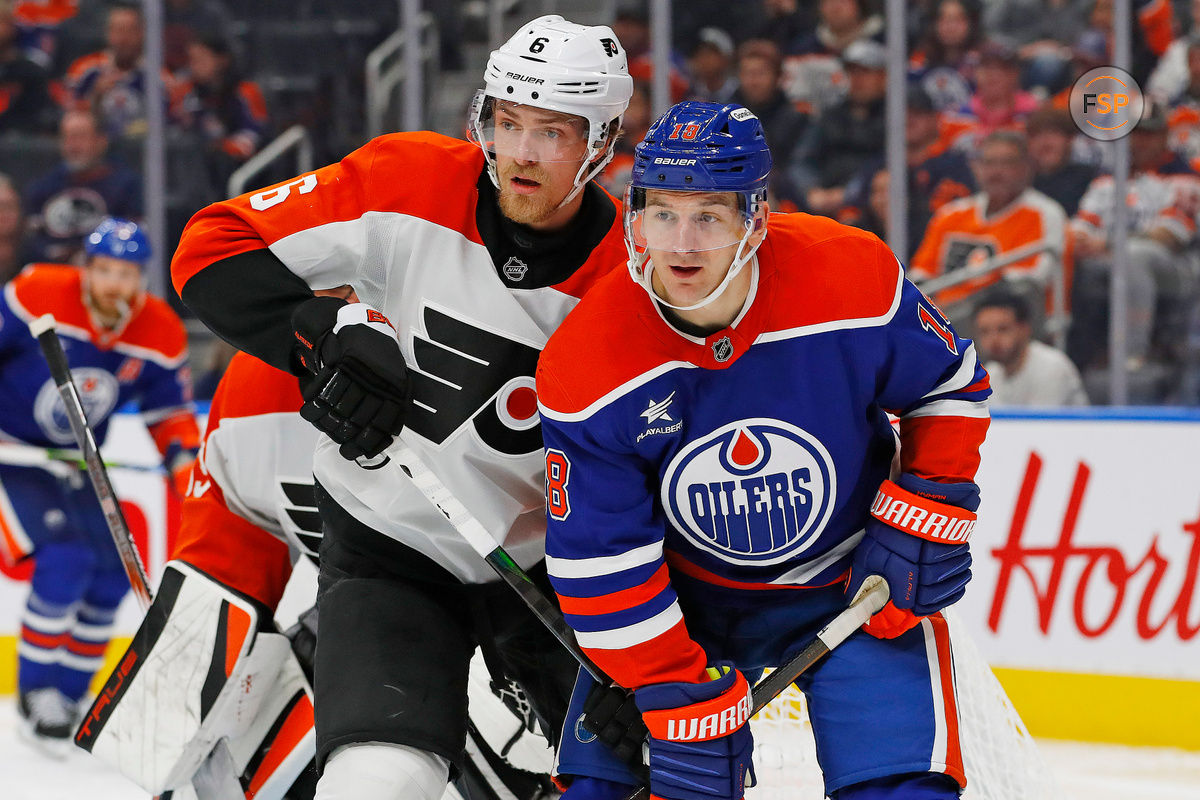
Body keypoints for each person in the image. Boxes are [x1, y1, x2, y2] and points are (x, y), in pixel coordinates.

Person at [169, 15, 633, 800]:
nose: (519, 153)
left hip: (561, 570)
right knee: (375, 779)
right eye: (507, 122)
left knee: (631, 774)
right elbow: (210, 246)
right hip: (391, 545)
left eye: (552, 132)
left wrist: (647, 658)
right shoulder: (407, 179)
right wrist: (316, 330)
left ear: (603, 140)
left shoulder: (634, 278)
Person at [537, 100, 990, 800]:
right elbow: (601, 560)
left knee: (906, 791)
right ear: (635, 216)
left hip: (847, 592)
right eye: (663, 213)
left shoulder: (850, 277)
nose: (681, 244)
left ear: (755, 217)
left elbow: (951, 384)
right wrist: (670, 689)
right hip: (681, 607)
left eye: (709, 216)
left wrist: (929, 503)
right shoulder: (588, 360)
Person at [81, 338, 560, 800]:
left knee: (526, 735)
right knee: (243, 754)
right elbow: (225, 563)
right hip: (373, 614)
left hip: (535, 602)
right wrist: (180, 709)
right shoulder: (254, 397)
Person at [0, 217, 199, 754]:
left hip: (79, 462)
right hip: (9, 454)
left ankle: (69, 696)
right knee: (65, 560)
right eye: (105, 270)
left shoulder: (159, 330)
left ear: (142, 279)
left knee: (113, 575)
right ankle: (34, 694)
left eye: (128, 273)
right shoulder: (36, 293)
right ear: (85, 269)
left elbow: (170, 412)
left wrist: (183, 460)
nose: (115, 283)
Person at [909, 130, 1069, 332]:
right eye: (989, 163)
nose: (996, 172)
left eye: (1006, 163)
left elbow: (1028, 285)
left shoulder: (1045, 214)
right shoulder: (950, 214)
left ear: (1026, 168)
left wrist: (947, 316)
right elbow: (921, 274)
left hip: (1008, 328)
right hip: (942, 320)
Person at [23, 108, 142, 264]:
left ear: (101, 141)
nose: (72, 146)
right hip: (55, 277)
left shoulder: (126, 187)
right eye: (67, 137)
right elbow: (32, 242)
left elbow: (132, 238)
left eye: (80, 137)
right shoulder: (44, 188)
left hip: (105, 278)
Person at [973, 288, 1087, 406]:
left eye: (1003, 329)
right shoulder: (990, 372)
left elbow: (1042, 423)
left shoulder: (1052, 367)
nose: (993, 340)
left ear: (1024, 328)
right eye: (984, 331)